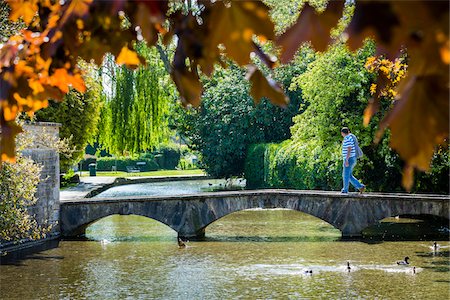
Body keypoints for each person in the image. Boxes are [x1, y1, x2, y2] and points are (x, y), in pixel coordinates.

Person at [340, 127, 365, 194]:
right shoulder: (350, 137)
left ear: (342, 133)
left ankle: (345, 189)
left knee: (345, 175)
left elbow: (349, 149)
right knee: (349, 175)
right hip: (352, 158)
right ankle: (360, 186)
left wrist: (347, 160)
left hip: (349, 159)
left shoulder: (347, 138)